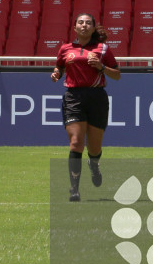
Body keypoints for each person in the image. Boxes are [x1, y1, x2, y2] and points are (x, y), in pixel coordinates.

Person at [51, 13, 121, 201]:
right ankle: (74, 189)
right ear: (74, 27)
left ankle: (94, 163)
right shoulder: (65, 48)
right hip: (73, 97)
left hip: (97, 97)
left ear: (92, 27)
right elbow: (59, 67)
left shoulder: (103, 48)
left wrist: (101, 67)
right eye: (80, 22)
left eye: (88, 23)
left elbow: (117, 74)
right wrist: (57, 73)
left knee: (94, 147)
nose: (84, 25)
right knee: (76, 142)